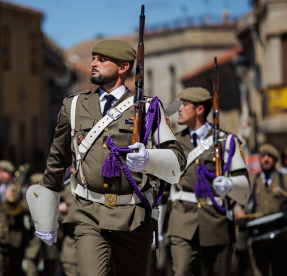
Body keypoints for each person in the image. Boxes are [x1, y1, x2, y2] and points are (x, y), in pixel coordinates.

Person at [26, 40, 186, 276]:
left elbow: (177, 158)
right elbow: (57, 159)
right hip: (88, 213)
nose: (93, 64)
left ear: (122, 67)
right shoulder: (73, 106)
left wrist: (149, 159)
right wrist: (45, 217)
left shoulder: (149, 108)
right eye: (93, 59)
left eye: (101, 60)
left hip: (133, 216)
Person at [167, 87, 250, 276]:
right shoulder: (174, 142)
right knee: (181, 272)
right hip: (182, 218)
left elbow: (243, 181)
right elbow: (163, 184)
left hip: (216, 220)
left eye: (185, 105)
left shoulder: (226, 141)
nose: (179, 109)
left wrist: (230, 185)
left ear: (199, 110)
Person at [235, 144, 287, 276]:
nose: (266, 159)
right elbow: (238, 197)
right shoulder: (252, 179)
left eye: (269, 157)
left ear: (276, 160)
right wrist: (237, 208)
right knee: (258, 272)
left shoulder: (286, 180)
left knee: (281, 271)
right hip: (256, 239)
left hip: (281, 237)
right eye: (262, 156)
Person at [0, 160, 29, 276]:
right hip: (0, 238)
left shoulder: (21, 189)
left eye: (5, 172)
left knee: (15, 270)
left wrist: (13, 200)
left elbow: (27, 208)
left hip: (16, 238)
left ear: (12, 173)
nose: (2, 175)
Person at [23, 173, 59, 276]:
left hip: (50, 243)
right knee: (31, 269)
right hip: (33, 242)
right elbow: (23, 207)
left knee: (51, 270)